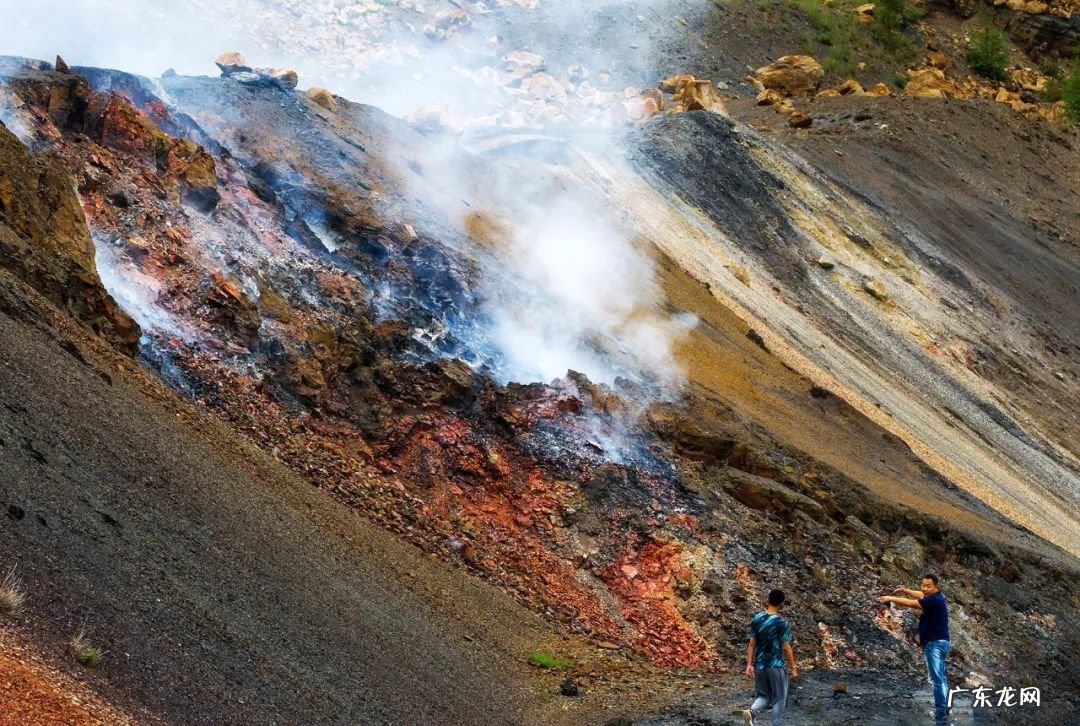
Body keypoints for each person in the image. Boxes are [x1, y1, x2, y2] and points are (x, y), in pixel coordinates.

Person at [879, 574, 951, 724]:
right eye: (923, 585)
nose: (924, 588)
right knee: (941, 678)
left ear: (936, 586)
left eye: (928, 586)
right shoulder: (939, 596)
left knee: (936, 679)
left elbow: (912, 603)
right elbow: (920, 595)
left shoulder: (933, 600)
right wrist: (906, 590)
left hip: (934, 643)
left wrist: (890, 598)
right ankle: (944, 708)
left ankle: (940, 714)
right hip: (942, 642)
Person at [743, 589, 798, 726]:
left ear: (768, 600)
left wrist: (749, 664)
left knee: (764, 696)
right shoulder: (781, 623)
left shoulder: (757, 619)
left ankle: (751, 712)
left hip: (760, 666)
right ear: (781, 603)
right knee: (779, 699)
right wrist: (793, 668)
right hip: (776, 665)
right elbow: (786, 647)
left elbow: (751, 644)